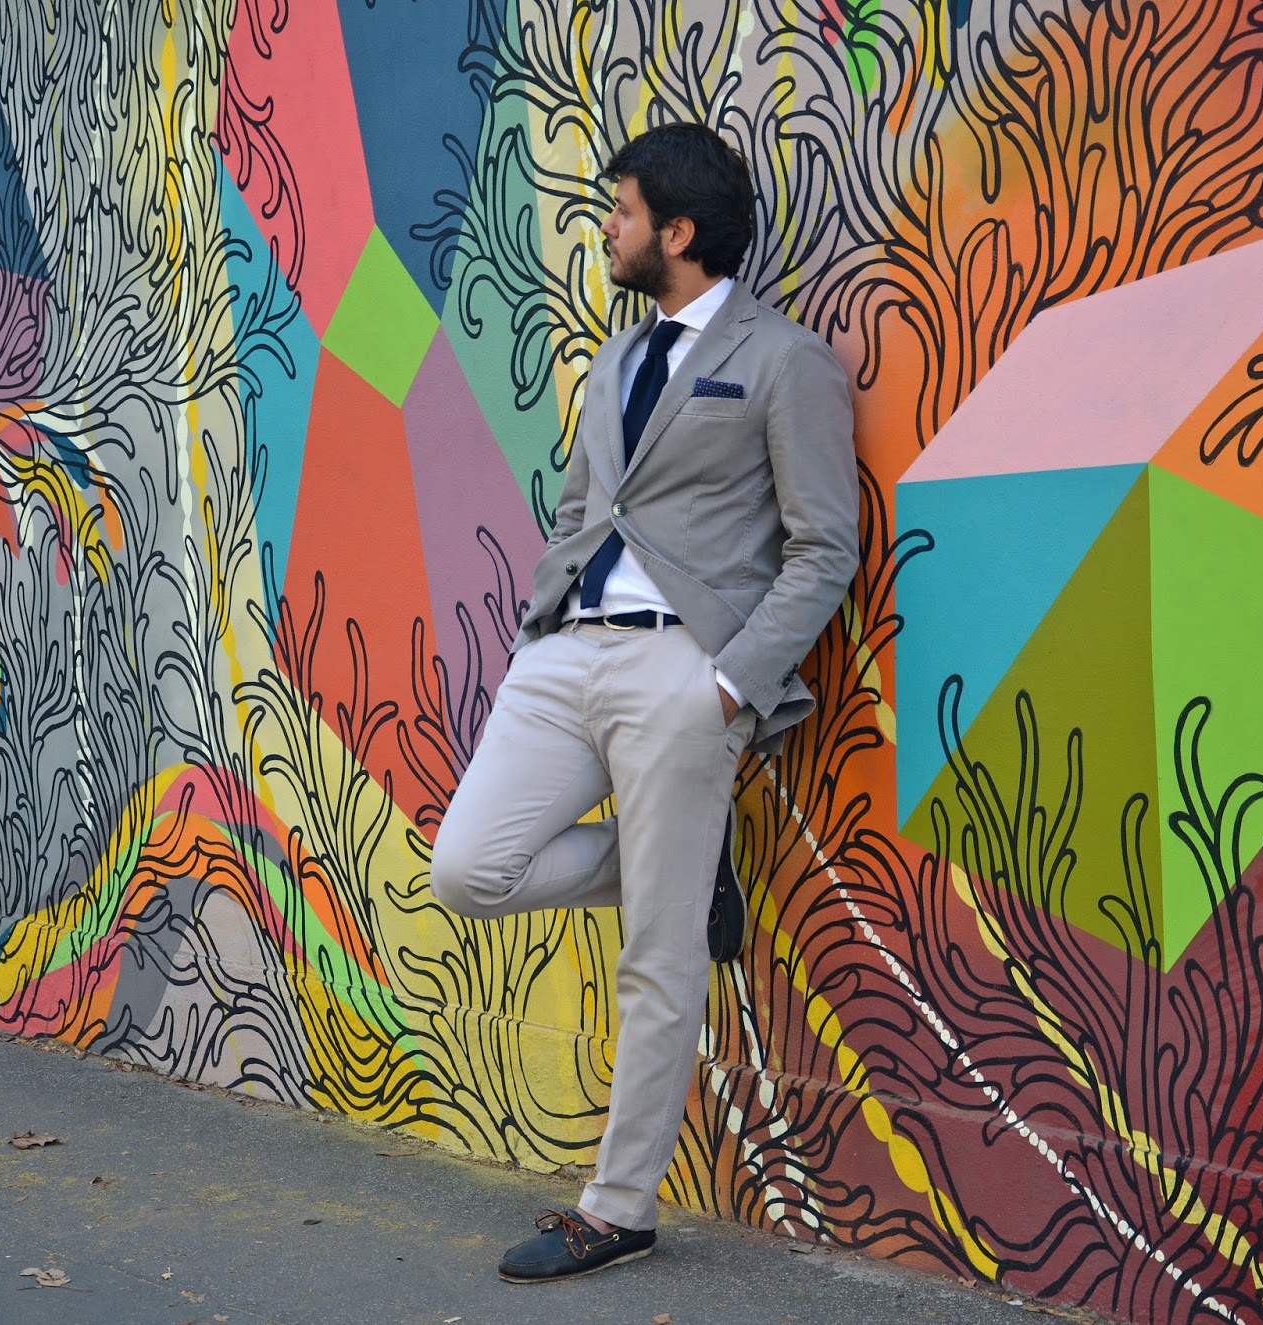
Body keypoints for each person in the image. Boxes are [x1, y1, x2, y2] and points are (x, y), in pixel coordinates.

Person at [429, 121, 859, 1283]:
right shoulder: (618, 362)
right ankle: (681, 856)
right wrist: (538, 621)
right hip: (564, 656)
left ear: (675, 231)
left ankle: (616, 1206)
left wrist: (727, 684)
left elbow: (825, 547)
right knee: (467, 868)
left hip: (684, 667)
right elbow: (582, 509)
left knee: (655, 953)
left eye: (620, 211)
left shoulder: (785, 360)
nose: (605, 227)